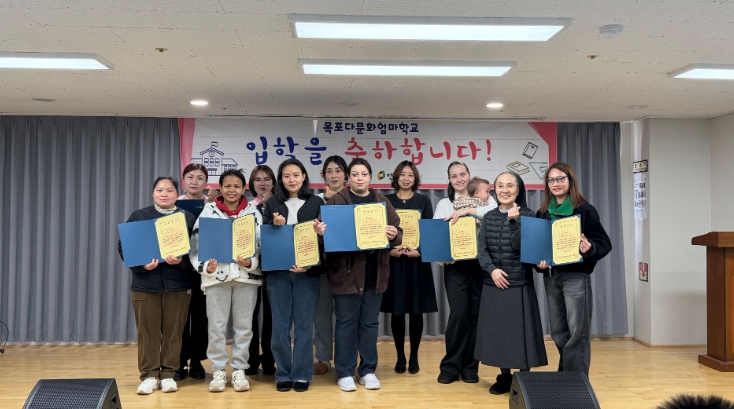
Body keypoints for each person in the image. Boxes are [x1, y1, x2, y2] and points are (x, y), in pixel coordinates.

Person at [321, 158, 402, 392]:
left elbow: (398, 232)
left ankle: (368, 370)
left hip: (375, 274)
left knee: (369, 323)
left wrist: (394, 234)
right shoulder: (336, 201)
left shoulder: (382, 202)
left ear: (370, 176)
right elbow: (325, 240)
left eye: (364, 174)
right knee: (346, 323)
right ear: (349, 177)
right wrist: (320, 233)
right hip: (346, 275)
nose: (359, 178)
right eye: (355, 174)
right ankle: (345, 372)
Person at [118, 176, 197, 395]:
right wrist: (142, 265)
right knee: (148, 332)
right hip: (145, 284)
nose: (164, 194)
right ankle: (149, 375)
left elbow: (197, 252)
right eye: (160, 190)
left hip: (178, 284)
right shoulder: (139, 216)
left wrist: (180, 261)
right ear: (153, 193)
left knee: (174, 332)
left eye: (169, 190)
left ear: (177, 194)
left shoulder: (187, 218)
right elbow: (124, 247)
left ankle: (169, 374)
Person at [189, 168, 262, 392]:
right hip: (216, 278)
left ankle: (239, 369)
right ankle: (219, 370)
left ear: (243, 189)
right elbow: (195, 246)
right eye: (227, 186)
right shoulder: (208, 212)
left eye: (237, 186)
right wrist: (206, 267)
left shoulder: (253, 213)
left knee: (244, 327)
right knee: (216, 327)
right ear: (220, 188)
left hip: (246, 278)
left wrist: (250, 262)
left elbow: (261, 245)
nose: (232, 190)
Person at [536, 162, 612, 376]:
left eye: (561, 178)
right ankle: (566, 376)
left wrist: (589, 247)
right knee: (559, 332)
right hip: (551, 278)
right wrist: (538, 262)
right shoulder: (543, 213)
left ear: (570, 181)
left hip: (576, 278)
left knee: (577, 332)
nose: (556, 183)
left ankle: (577, 381)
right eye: (551, 180)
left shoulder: (585, 210)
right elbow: (538, 245)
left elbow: (604, 243)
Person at [475, 171, 548, 394]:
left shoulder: (529, 215)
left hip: (518, 283)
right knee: (500, 334)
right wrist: (492, 270)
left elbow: (522, 247)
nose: (504, 190)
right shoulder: (489, 217)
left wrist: (514, 221)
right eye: (500, 186)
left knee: (521, 335)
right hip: (494, 283)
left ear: (519, 189)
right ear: (494, 190)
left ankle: (524, 378)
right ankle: (505, 377)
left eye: (510, 186)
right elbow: (481, 249)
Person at [262, 159, 326, 392]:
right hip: (278, 274)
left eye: (296, 175)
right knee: (279, 327)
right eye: (287, 175)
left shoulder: (317, 202)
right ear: (281, 179)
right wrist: (274, 225)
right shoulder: (272, 203)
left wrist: (319, 235)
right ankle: (282, 373)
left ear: (304, 177)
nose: (292, 180)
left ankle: (301, 374)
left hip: (306, 274)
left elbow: (324, 242)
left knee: (304, 326)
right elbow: (264, 239)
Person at [433, 161, 497, 385]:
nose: (459, 179)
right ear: (449, 180)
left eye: (462, 174)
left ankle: (471, 367)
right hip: (456, 267)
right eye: (454, 176)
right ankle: (450, 366)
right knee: (459, 315)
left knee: (476, 316)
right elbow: (437, 233)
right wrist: (446, 255)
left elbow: (495, 213)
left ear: (469, 175)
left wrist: (470, 210)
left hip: (481, 266)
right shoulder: (445, 204)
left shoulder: (484, 198)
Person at [380, 160, 438, 375]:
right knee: (397, 312)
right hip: (394, 263)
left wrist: (420, 251)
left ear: (416, 179)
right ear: (396, 177)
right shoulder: (386, 200)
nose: (406, 178)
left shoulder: (424, 201)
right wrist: (389, 250)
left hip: (416, 263)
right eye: (402, 174)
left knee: (415, 311)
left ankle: (414, 356)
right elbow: (379, 231)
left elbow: (430, 231)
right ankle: (400, 356)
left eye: (410, 175)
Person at [175, 163, 213, 381]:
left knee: (200, 317)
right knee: (179, 317)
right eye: (190, 177)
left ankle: (197, 361)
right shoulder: (173, 203)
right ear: (184, 180)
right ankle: (179, 362)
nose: (194, 182)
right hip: (179, 267)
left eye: (200, 178)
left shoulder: (211, 205)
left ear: (206, 182)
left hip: (203, 268)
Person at [313, 155, 348, 375]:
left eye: (338, 170)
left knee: (346, 318)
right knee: (321, 316)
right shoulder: (315, 200)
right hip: (322, 267)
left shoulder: (352, 198)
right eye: (329, 171)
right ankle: (323, 358)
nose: (334, 175)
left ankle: (346, 360)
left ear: (345, 174)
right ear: (323, 175)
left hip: (347, 268)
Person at [246, 165, 276, 376]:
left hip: (274, 268)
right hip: (251, 268)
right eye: (258, 179)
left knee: (272, 317)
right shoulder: (246, 208)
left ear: (274, 182)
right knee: (250, 315)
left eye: (267, 179)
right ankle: (250, 360)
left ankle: (269, 359)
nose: (263, 183)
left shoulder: (280, 205)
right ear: (251, 184)